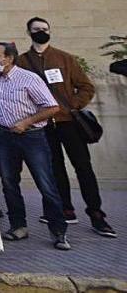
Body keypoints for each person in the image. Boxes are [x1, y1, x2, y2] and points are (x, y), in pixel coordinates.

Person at [15, 17, 113, 237]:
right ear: (28, 32)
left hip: (68, 123)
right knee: (54, 170)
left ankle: (96, 214)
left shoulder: (64, 59)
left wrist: (72, 107)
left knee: (83, 167)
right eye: (36, 29)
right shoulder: (22, 62)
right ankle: (65, 209)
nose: (41, 32)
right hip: (42, 125)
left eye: (44, 29)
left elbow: (86, 87)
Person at [0, 41, 70, 249]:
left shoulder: (28, 79)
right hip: (5, 136)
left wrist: (26, 122)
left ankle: (58, 232)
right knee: (9, 183)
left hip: (32, 137)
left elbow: (51, 107)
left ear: (9, 58)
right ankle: (18, 226)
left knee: (46, 183)